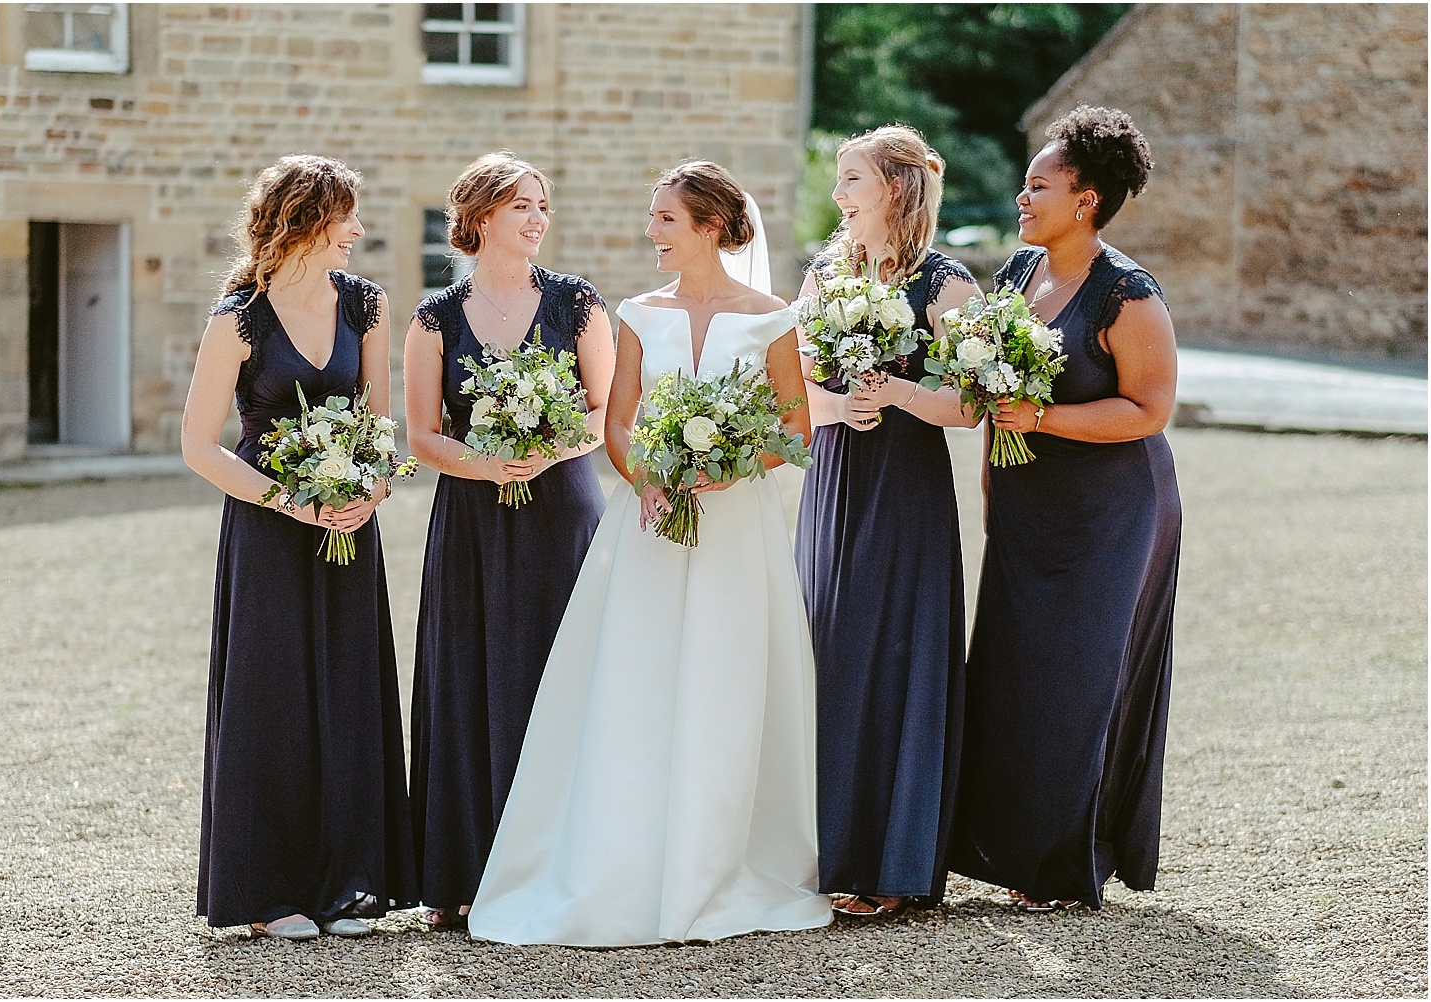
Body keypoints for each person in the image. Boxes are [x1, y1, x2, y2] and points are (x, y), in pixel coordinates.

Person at [468, 160, 832, 946]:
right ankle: (622, 857)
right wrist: (654, 480)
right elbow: (619, 422)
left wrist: (721, 469)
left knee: (725, 682)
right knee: (636, 678)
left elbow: (795, 430)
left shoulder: (772, 319)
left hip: (738, 530)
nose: (650, 232)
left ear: (708, 227)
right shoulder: (636, 311)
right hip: (649, 525)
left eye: (665, 219)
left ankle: (717, 861)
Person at [947, 105, 1182, 912]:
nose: (1021, 196)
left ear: (1086, 199)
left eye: (1037, 185)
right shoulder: (1017, 274)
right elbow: (990, 390)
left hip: (1110, 511)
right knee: (1013, 672)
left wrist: (1040, 419)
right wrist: (990, 481)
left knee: (1079, 680)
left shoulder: (1128, 294)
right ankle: (1003, 848)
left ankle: (1063, 867)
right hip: (1025, 503)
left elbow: (1149, 410)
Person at [182, 154, 416, 940]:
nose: (358, 230)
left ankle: (351, 883)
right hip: (269, 530)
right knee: (272, 697)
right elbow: (198, 446)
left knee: (351, 690)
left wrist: (367, 493)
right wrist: (292, 501)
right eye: (347, 215)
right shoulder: (238, 320)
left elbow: (385, 428)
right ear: (305, 220)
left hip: (350, 524)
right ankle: (269, 894)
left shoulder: (367, 306)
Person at [404, 152, 614, 930]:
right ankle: (461, 874)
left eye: (543, 205)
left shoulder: (577, 303)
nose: (537, 218)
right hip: (470, 520)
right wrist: (484, 464)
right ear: (482, 215)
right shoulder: (435, 317)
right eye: (522, 204)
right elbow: (423, 432)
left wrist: (548, 451)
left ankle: (561, 864)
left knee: (559, 673)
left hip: (561, 508)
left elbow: (604, 410)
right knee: (467, 678)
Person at [794, 125, 982, 918]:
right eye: (840, 181)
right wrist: (839, 404)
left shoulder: (946, 286)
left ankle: (890, 861)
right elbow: (792, 384)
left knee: (894, 654)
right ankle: (823, 850)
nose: (838, 196)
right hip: (836, 479)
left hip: (905, 489)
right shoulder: (821, 273)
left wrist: (899, 393)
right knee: (826, 652)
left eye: (851, 180)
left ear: (896, 190)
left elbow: (973, 408)